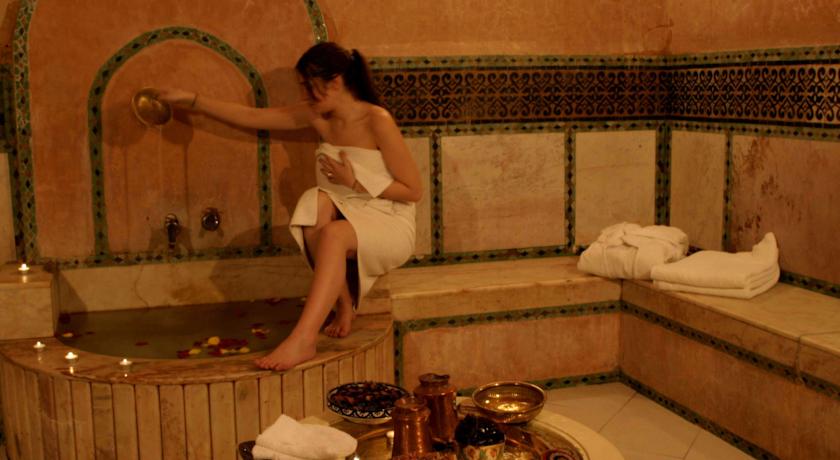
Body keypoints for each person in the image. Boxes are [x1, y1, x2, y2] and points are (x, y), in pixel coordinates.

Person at [158, 42, 422, 371]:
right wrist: (192, 100)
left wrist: (355, 182)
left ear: (335, 81)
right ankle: (344, 304)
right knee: (315, 204)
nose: (305, 95)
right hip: (348, 208)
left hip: (388, 218)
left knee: (334, 234)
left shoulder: (376, 120)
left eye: (309, 86)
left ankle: (303, 338)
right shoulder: (317, 115)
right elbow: (253, 117)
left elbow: (413, 191)